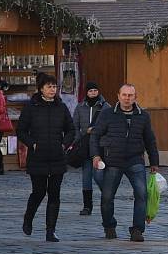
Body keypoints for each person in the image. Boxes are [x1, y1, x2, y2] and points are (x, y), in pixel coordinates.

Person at [91, 84, 160, 242]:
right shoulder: (107, 114)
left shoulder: (143, 115)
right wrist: (96, 155)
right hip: (112, 160)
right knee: (107, 197)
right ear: (118, 96)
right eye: (124, 95)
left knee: (142, 194)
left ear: (135, 97)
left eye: (130, 95)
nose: (127, 98)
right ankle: (109, 226)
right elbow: (95, 135)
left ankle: (137, 230)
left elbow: (150, 140)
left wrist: (154, 161)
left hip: (135, 160)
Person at [17, 74, 75, 242]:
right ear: (41, 88)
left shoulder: (61, 107)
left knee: (54, 194)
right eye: (49, 86)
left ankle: (51, 230)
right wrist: (32, 144)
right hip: (38, 157)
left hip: (57, 157)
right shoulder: (31, 107)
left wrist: (64, 144)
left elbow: (71, 130)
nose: (52, 90)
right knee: (39, 192)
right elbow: (21, 130)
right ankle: (28, 218)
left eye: (54, 87)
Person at [73, 81, 110, 216]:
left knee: (98, 175)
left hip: (100, 147)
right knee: (86, 177)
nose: (93, 93)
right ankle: (87, 206)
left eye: (95, 90)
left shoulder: (106, 107)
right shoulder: (80, 107)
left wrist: (98, 131)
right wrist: (80, 137)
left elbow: (110, 126)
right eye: (90, 91)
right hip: (85, 146)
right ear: (86, 93)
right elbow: (75, 126)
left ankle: (107, 197)